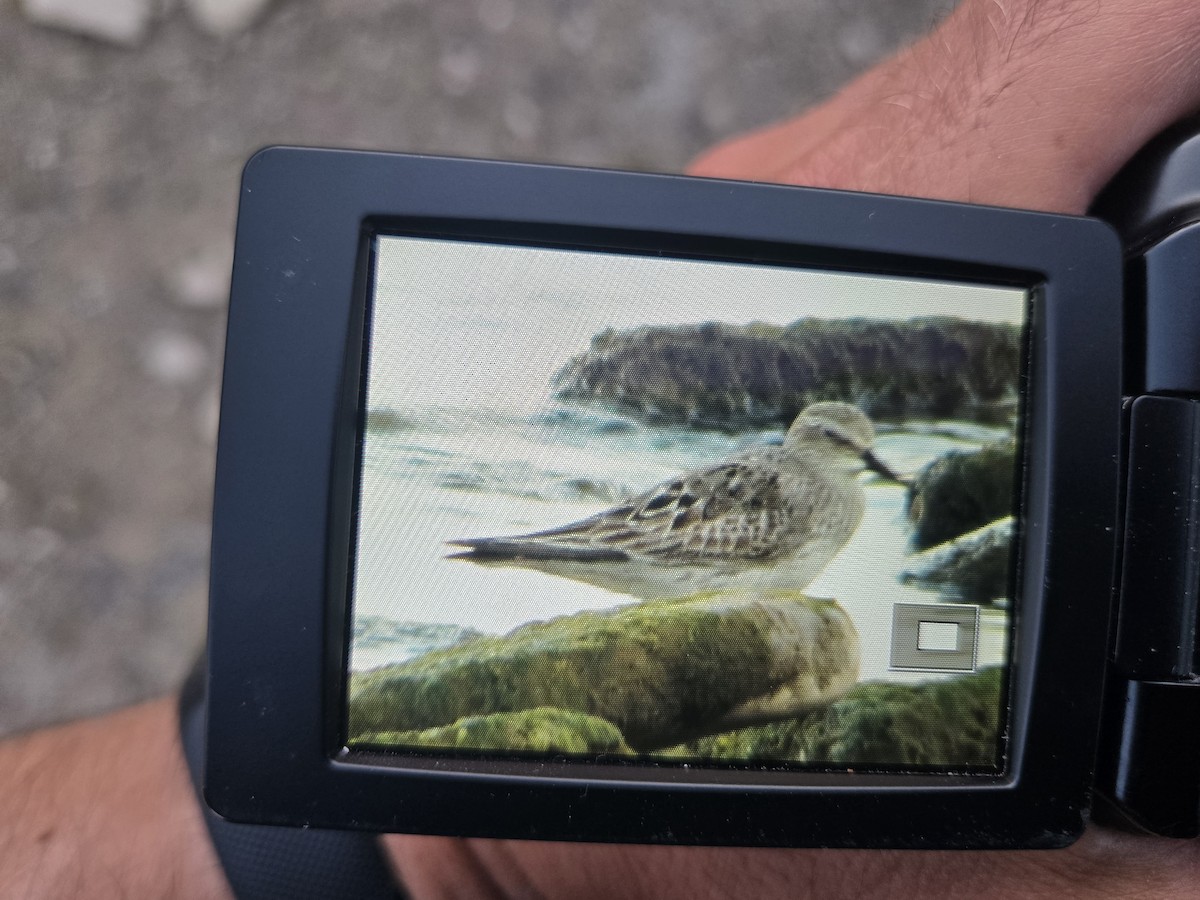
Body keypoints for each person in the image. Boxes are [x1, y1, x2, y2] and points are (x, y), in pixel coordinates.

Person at [4, 0, 1200, 896]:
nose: (872, 470)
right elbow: (689, 548)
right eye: (849, 442)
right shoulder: (796, 502)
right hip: (640, 561)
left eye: (867, 451)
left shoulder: (828, 497)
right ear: (814, 438)